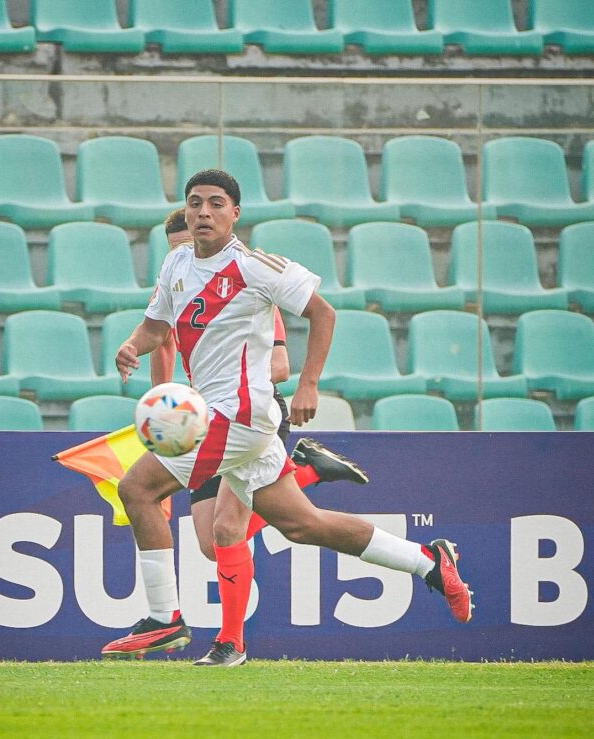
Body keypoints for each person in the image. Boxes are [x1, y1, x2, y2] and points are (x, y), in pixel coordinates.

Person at [106, 169, 474, 667]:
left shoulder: (254, 267)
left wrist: (308, 384)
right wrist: (132, 345)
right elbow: (155, 328)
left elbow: (323, 313)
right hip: (229, 420)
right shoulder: (176, 262)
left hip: (238, 416)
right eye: (195, 203)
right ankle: (429, 562)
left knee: (137, 489)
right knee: (301, 525)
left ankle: (163, 618)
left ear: (235, 213)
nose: (204, 212)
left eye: (216, 203)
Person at [102, 208, 369, 664]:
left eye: (189, 243)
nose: (188, 253)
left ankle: (206, 635)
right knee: (216, 543)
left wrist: (228, 384)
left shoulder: (248, 287)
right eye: (178, 248)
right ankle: (307, 473)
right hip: (200, 421)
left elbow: (279, 366)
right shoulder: (179, 278)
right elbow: (161, 342)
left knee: (210, 522)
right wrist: (166, 408)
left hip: (246, 416)